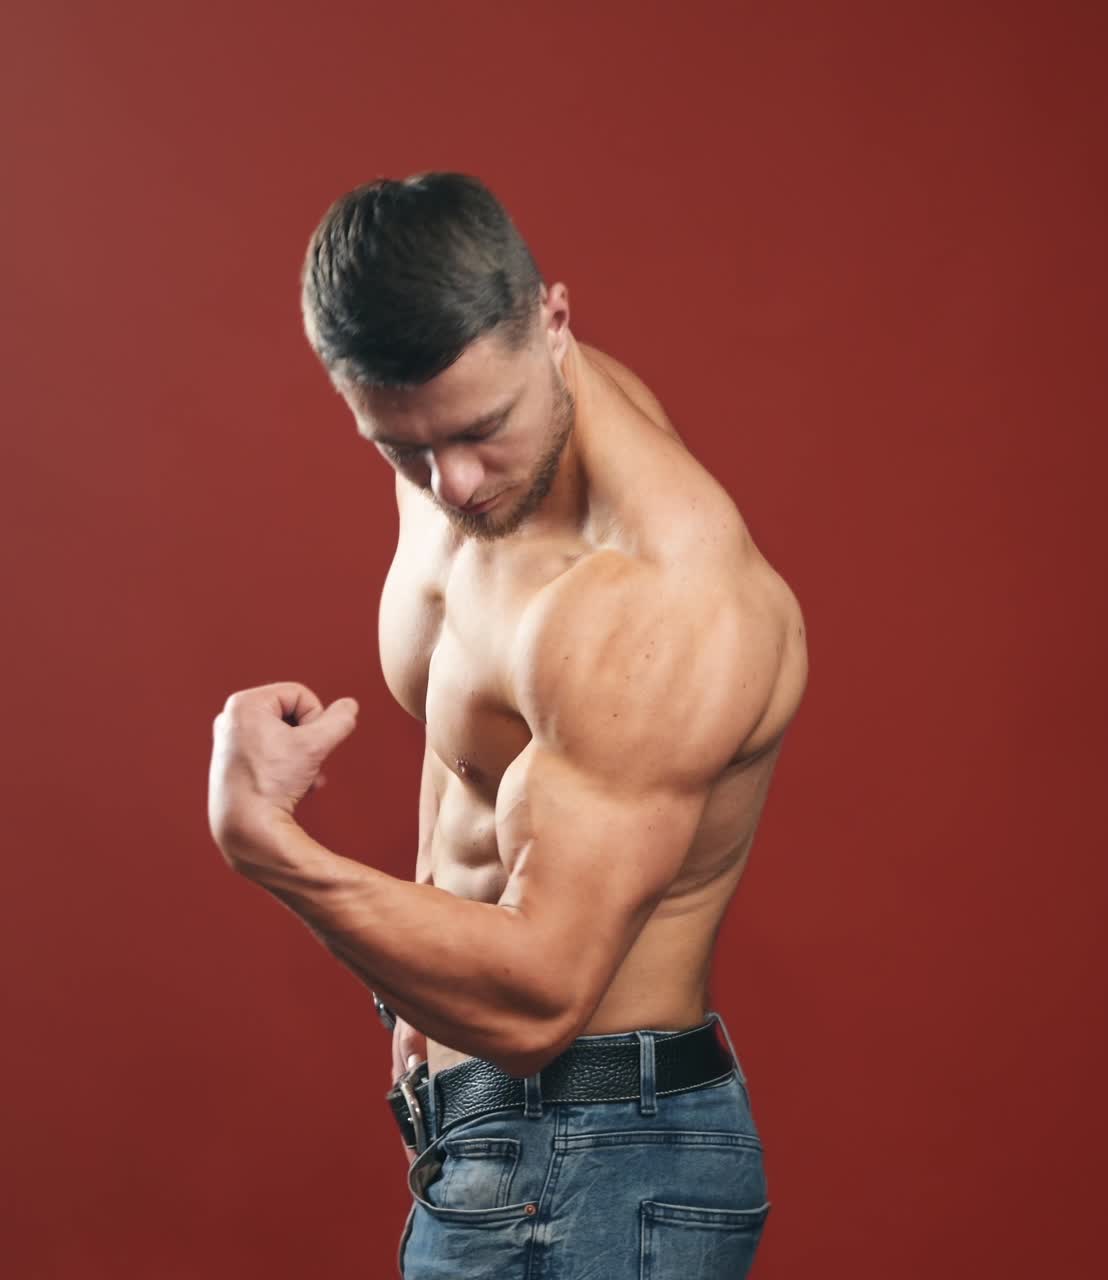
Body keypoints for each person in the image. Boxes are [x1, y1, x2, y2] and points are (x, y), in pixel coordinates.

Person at [206, 171, 808, 1279]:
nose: (453, 482)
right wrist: (417, 996)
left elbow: (539, 999)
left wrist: (271, 847)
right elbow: (466, 738)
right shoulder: (460, 441)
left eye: (479, 431)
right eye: (400, 446)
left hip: (594, 1159)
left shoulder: (652, 597)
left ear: (554, 322)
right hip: (502, 1147)